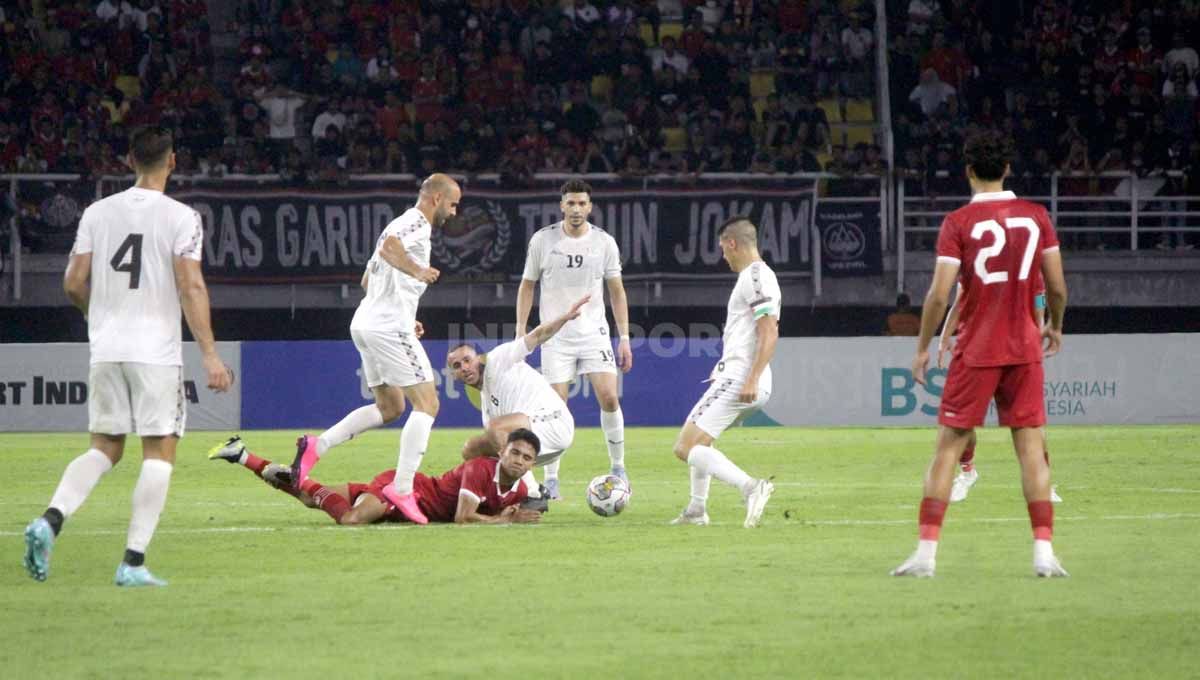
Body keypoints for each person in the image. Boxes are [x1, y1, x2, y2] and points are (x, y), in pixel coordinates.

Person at [22, 126, 234, 587]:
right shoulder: (181, 217)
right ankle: (132, 563)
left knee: (104, 448)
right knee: (159, 453)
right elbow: (191, 285)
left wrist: (97, 315)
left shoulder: (98, 213)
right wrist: (211, 355)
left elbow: (74, 283)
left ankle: (50, 520)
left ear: (128, 161)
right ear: (172, 161)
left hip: (107, 347)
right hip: (154, 352)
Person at [892, 131, 1068, 579]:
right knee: (1031, 449)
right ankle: (1044, 555)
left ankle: (926, 556)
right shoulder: (1036, 216)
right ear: (1007, 168)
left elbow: (937, 295)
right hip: (1025, 347)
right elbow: (1058, 287)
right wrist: (1055, 324)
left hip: (977, 349)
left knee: (948, 449)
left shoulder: (958, 223)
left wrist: (923, 347)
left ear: (968, 170)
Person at [289, 174, 460, 526]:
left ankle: (316, 447)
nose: (454, 213)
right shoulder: (415, 223)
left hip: (366, 322)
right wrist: (418, 271)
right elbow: (390, 250)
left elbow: (369, 280)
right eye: (453, 204)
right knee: (428, 404)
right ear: (437, 198)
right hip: (386, 326)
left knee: (390, 406)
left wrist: (403, 312)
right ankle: (402, 488)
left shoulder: (395, 224)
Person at [516, 180, 633, 498]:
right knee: (555, 407)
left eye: (582, 203)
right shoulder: (543, 240)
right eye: (571, 203)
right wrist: (520, 332)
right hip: (555, 337)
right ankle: (551, 479)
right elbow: (527, 286)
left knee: (609, 397)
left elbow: (616, 291)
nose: (577, 209)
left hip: (594, 334)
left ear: (590, 207)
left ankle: (618, 467)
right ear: (562, 206)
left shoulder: (604, 242)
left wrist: (624, 337)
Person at [669, 217, 779, 529]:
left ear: (732, 243)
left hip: (741, 377)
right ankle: (696, 510)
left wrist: (752, 377)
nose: (723, 255)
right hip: (737, 375)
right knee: (703, 442)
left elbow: (769, 330)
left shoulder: (755, 276)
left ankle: (750, 487)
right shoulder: (754, 276)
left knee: (685, 447)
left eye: (722, 248)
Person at [209, 430, 544, 525]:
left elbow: (528, 503)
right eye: (514, 452)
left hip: (406, 501)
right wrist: (502, 521)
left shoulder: (520, 487)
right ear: (502, 452)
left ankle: (241, 455)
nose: (519, 460)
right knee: (352, 520)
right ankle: (306, 477)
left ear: (531, 465)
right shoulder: (479, 468)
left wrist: (529, 509)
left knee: (309, 498)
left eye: (526, 458)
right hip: (403, 491)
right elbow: (463, 518)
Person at [938, 277, 1063, 504]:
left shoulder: (1028, 262)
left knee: (1031, 426)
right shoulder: (976, 258)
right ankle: (967, 473)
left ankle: (1043, 485)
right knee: (961, 423)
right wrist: (945, 337)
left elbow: (1039, 302)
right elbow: (958, 302)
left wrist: (1036, 337)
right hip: (978, 350)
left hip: (1017, 352)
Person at [446, 295, 592, 487]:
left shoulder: (499, 358)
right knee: (471, 450)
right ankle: (495, 496)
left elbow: (537, 336)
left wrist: (564, 318)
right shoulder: (487, 406)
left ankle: (531, 493)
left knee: (495, 428)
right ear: (454, 375)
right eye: (457, 366)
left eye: (467, 360)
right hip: (534, 447)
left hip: (554, 423)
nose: (464, 367)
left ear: (478, 359)